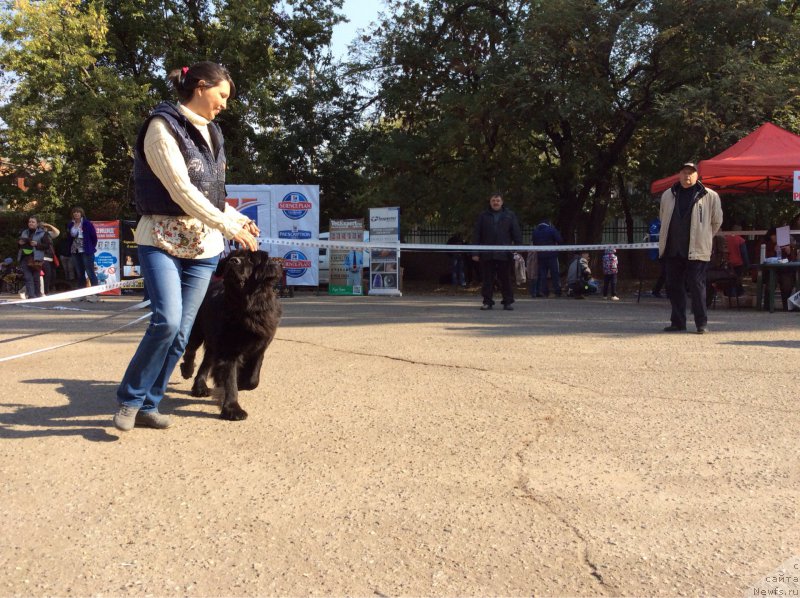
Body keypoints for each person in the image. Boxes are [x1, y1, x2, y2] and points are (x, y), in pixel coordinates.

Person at [114, 61, 259, 432]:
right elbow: (181, 191)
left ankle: (150, 404)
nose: (224, 104)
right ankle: (130, 399)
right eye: (222, 95)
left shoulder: (214, 132)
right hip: (161, 239)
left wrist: (238, 219)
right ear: (200, 87)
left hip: (204, 248)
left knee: (182, 334)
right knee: (167, 321)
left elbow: (212, 196)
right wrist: (228, 226)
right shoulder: (161, 127)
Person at [658, 162, 723, 334]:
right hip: (673, 249)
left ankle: (701, 323)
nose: (687, 175)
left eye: (691, 172)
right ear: (679, 174)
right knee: (673, 286)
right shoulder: (668, 195)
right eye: (684, 172)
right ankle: (678, 322)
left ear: (697, 175)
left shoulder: (710, 195)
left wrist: (704, 236)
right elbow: (663, 217)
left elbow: (716, 221)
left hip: (697, 249)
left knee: (697, 286)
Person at [471, 193, 522, 310]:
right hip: (487, 253)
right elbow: (477, 234)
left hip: (504, 254)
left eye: (498, 200)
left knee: (506, 279)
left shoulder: (510, 215)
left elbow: (516, 232)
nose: (495, 203)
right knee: (487, 279)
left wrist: (518, 249)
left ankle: (507, 302)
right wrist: (475, 252)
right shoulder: (483, 216)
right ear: (490, 202)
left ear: (502, 202)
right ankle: (487, 302)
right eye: (493, 200)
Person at [758, 226, 797, 311]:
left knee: (787, 283)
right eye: (774, 235)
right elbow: (762, 257)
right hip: (770, 270)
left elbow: (792, 259)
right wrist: (773, 250)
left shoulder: (786, 243)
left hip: (784, 270)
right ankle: (768, 305)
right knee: (771, 281)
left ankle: (786, 306)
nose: (776, 237)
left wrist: (789, 252)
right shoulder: (765, 243)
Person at [17, 215, 53, 299]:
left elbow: (47, 246)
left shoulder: (43, 233)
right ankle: (31, 296)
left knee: (36, 277)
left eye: (33, 222)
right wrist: (19, 243)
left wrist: (37, 244)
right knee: (28, 277)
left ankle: (37, 295)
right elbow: (19, 245)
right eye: (29, 222)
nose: (31, 223)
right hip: (24, 257)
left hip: (36, 258)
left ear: (37, 224)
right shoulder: (24, 232)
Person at [67, 206, 99, 300]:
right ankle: (81, 295)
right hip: (75, 250)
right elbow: (69, 238)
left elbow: (94, 237)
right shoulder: (70, 224)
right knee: (79, 273)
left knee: (90, 272)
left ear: (81, 214)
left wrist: (90, 247)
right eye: (74, 212)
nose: (76, 213)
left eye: (78, 212)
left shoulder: (87, 223)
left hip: (86, 250)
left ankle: (95, 295)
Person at [532, 218, 563, 297]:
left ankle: (545, 291)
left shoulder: (535, 232)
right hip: (552, 255)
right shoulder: (551, 230)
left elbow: (534, 243)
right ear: (549, 222)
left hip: (541, 255)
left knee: (543, 274)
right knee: (554, 273)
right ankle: (557, 291)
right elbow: (559, 240)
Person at [724, 224, 748, 297]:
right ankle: (735, 295)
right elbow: (744, 253)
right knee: (737, 280)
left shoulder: (726, 238)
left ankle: (730, 294)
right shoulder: (740, 240)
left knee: (729, 280)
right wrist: (747, 265)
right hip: (738, 263)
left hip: (728, 263)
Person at [648, 218, 666, 297]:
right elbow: (654, 235)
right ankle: (657, 291)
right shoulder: (656, 223)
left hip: (665, 251)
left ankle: (657, 290)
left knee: (666, 272)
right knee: (666, 272)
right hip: (660, 252)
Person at [40, 222, 60, 294]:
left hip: (50, 258)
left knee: (51, 276)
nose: (44, 228)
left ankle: (46, 291)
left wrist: (49, 225)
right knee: (46, 275)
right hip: (43, 257)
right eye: (42, 227)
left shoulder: (48, 234)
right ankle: (45, 292)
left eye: (45, 227)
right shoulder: (37, 234)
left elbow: (57, 232)